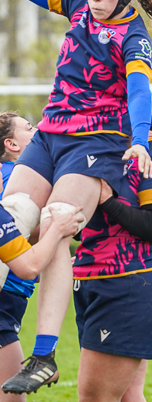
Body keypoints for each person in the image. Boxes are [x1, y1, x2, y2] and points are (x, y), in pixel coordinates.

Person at [1, 0, 152, 393]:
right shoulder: (79, 3)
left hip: (95, 142)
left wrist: (139, 139)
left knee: (56, 220)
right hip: (50, 133)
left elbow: (140, 90)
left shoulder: (133, 36)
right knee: (14, 210)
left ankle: (43, 355)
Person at [73, 90, 152, 402]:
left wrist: (108, 202)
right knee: (127, 396)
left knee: (95, 397)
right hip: (92, 282)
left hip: (125, 286)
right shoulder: (115, 149)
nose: (146, 94)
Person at [0, 113, 37, 402]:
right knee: (12, 395)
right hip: (6, 294)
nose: (36, 129)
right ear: (11, 143)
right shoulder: (16, 177)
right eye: (29, 127)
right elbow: (29, 235)